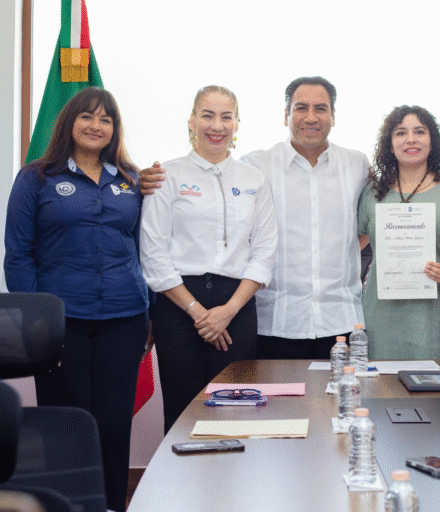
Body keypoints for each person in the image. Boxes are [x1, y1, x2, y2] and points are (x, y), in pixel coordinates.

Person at [140, 76, 369, 360]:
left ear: (333, 116)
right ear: (286, 116)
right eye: (301, 108)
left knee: (337, 402)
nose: (311, 117)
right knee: (265, 404)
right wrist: (143, 180)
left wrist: (340, 249)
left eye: (321, 108)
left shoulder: (358, 165)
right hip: (276, 322)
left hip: (342, 319)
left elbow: (372, 220)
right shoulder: (254, 166)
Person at [4, 87, 148, 512]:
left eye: (105, 120)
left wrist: (152, 314)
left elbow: (146, 249)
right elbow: (18, 252)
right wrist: (35, 324)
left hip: (124, 317)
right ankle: (66, 505)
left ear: (114, 129)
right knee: (66, 423)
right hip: (59, 323)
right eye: (87, 117)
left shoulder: (132, 180)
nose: (95, 126)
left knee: (114, 421)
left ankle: (110, 507)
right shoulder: (37, 177)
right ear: (69, 122)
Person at [139, 85, 277, 433]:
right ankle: (179, 486)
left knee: (237, 410)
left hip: (237, 306)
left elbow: (264, 251)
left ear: (236, 124)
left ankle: (231, 487)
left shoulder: (254, 179)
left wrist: (227, 312)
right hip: (179, 305)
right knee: (183, 412)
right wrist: (199, 314)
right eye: (207, 115)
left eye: (226, 117)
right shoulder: (166, 175)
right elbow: (153, 253)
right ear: (192, 121)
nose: (217, 125)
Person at [357, 106, 440, 359]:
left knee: (436, 391)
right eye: (401, 133)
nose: (411, 139)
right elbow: (353, 247)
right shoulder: (371, 193)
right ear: (390, 145)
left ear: (432, 141)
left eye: (419, 132)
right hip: (382, 313)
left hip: (438, 314)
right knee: (383, 393)